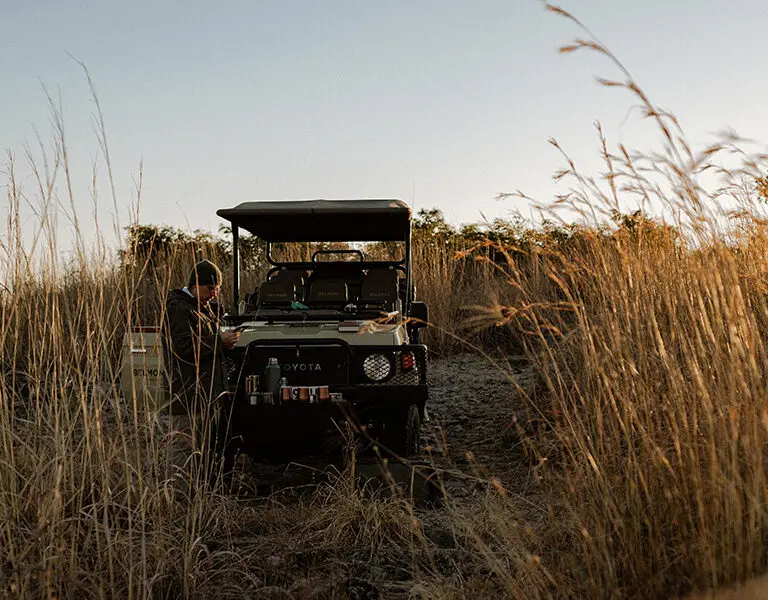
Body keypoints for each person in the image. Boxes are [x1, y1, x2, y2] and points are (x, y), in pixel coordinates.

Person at [161, 259, 240, 484]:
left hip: (204, 395)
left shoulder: (202, 309)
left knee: (202, 452)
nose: (214, 294)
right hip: (188, 395)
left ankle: (198, 504)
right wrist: (219, 341)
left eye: (217, 289)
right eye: (210, 288)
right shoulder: (179, 308)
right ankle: (178, 506)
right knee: (183, 453)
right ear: (196, 284)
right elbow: (183, 347)